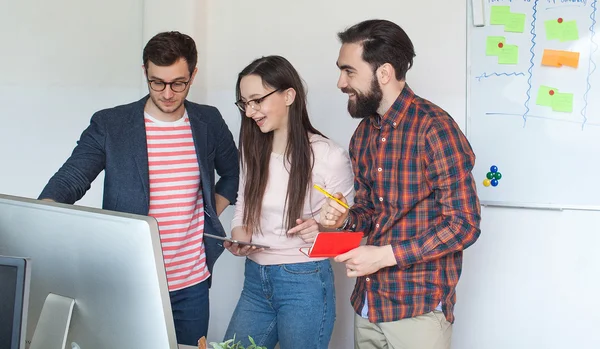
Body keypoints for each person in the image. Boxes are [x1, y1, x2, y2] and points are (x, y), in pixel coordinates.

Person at [38, 31, 239, 345]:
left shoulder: (208, 121)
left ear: (193, 75)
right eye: (157, 82)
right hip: (130, 282)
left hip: (192, 283)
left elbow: (232, 174)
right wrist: (44, 212)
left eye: (178, 83)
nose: (168, 93)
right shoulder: (111, 124)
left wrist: (208, 210)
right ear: (145, 72)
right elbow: (71, 180)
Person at [319, 19, 482, 349]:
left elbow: (465, 224)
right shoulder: (363, 134)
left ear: (383, 73)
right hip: (367, 304)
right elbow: (369, 212)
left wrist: (384, 256)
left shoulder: (435, 128)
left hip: (418, 312)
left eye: (349, 71)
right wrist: (344, 220)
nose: (340, 82)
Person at [222, 55, 354, 349]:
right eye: (244, 103)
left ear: (289, 95)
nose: (250, 111)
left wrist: (323, 230)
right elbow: (243, 206)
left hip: (303, 282)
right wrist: (240, 238)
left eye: (257, 100)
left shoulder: (328, 156)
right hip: (255, 279)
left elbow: (349, 240)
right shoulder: (252, 149)